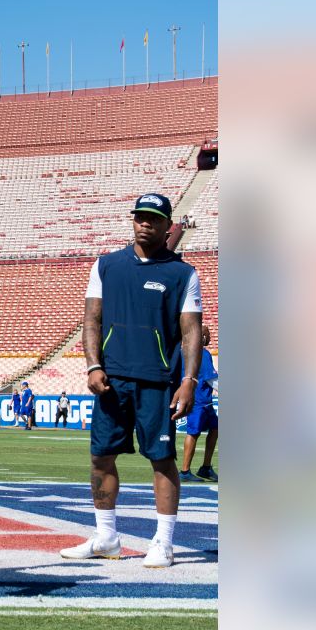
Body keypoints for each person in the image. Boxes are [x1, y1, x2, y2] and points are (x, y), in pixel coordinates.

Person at [61, 193, 202, 570]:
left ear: (168, 226)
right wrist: (92, 365)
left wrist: (189, 379)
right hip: (112, 381)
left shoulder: (183, 273)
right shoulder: (107, 265)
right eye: (140, 216)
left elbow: (191, 332)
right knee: (100, 457)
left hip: (157, 382)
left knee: (162, 460)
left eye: (154, 219)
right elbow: (91, 319)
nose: (144, 223)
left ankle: (164, 543)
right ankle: (106, 538)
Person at [177, 325, 219, 483]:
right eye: (207, 335)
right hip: (199, 401)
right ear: (200, 337)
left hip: (200, 401)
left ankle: (205, 467)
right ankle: (185, 470)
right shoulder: (203, 353)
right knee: (193, 433)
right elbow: (212, 379)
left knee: (215, 428)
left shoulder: (183, 352)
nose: (209, 338)